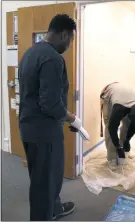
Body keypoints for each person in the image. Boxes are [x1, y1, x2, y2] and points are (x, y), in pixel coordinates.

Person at [18, 14, 78, 221]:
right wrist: (72, 118)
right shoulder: (53, 58)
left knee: (42, 178)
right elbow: (50, 104)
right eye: (70, 40)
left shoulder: (30, 53)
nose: (69, 45)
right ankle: (44, 215)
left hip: (28, 128)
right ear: (63, 35)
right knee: (44, 184)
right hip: (44, 134)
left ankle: (55, 208)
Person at [100, 82, 135, 171]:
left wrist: (127, 141)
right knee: (109, 126)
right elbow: (112, 128)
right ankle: (112, 158)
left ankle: (124, 148)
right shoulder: (119, 107)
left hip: (125, 97)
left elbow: (134, 125)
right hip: (108, 95)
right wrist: (118, 147)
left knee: (127, 125)